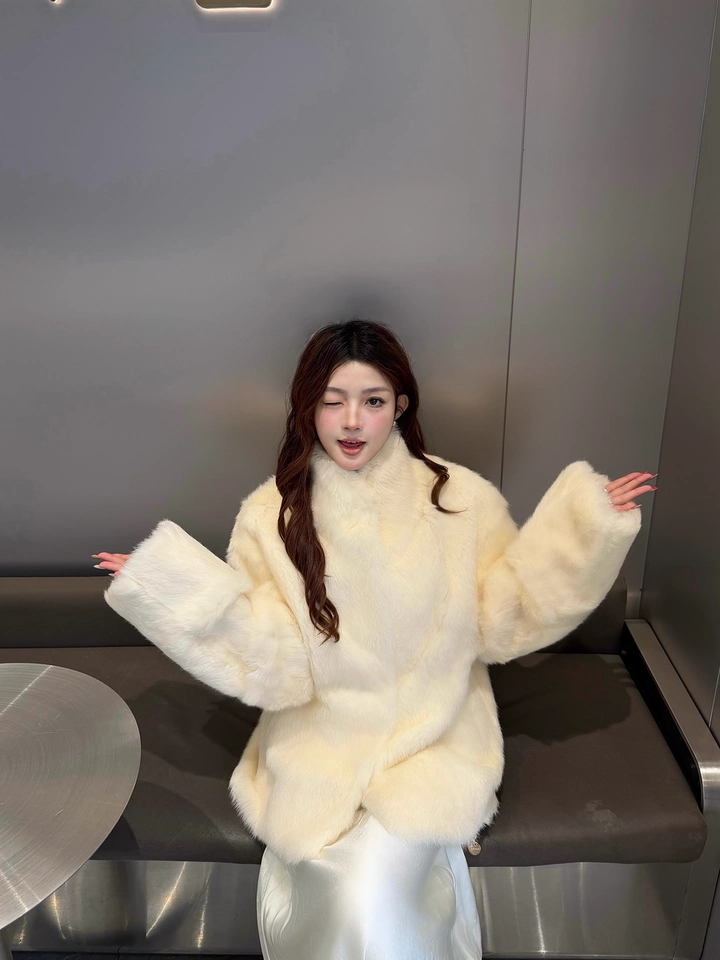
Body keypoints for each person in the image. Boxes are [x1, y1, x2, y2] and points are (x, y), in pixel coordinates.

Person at [93, 319, 656, 960]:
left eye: (373, 400)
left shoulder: (459, 500)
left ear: (401, 406)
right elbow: (275, 663)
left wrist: (584, 532)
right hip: (319, 750)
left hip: (431, 744)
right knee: (342, 894)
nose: (352, 421)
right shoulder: (270, 515)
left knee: (371, 899)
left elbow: (506, 617)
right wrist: (168, 588)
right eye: (332, 401)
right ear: (307, 408)